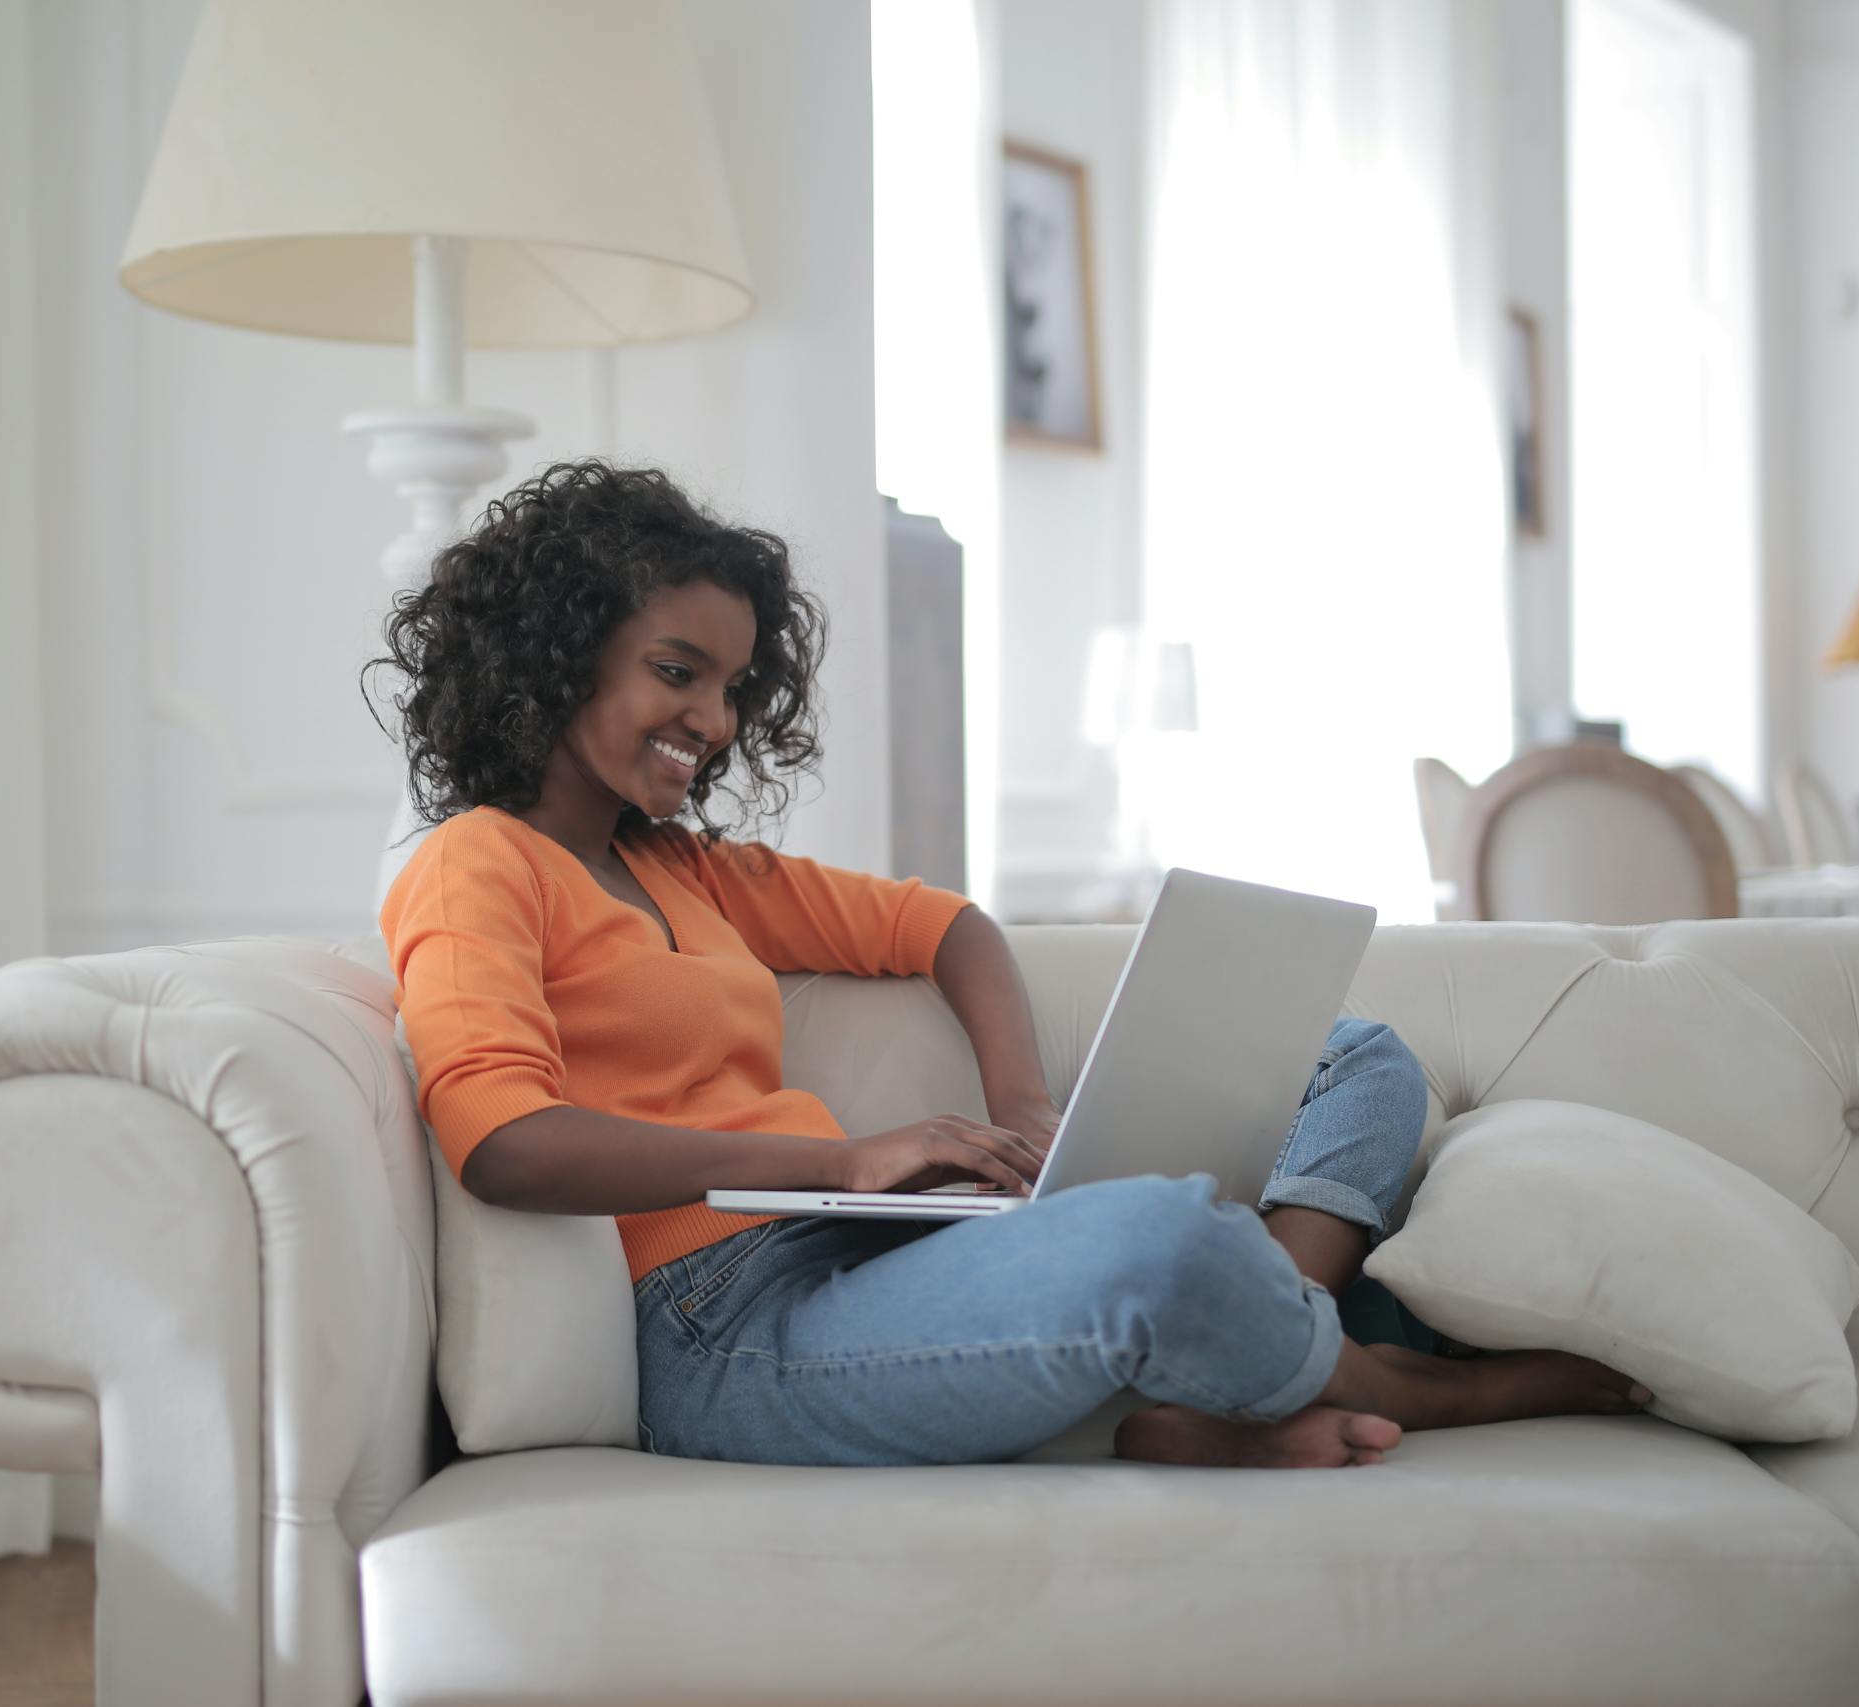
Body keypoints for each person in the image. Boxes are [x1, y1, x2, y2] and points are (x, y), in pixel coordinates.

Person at [366, 459, 1652, 1471]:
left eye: (734, 687)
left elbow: (949, 928)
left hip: (851, 1258)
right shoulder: (474, 863)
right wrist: (838, 1164)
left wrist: (1024, 1109)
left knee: (1353, 1053)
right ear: (554, 649)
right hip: (717, 1332)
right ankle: (1382, 1378)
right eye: (676, 673)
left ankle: (1234, 1375)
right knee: (1155, 1234)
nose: (712, 721)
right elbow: (505, 1143)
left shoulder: (684, 870)